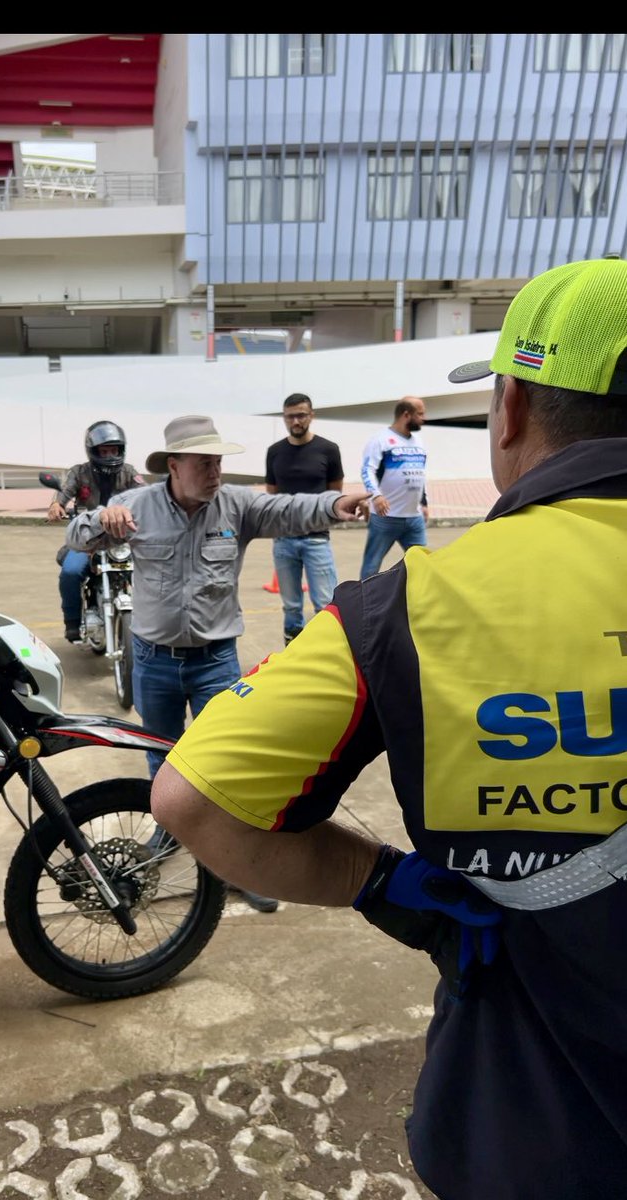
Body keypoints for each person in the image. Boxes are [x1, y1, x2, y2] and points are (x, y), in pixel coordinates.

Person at [149, 256, 627, 1200]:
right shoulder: (140, 508)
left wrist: (388, 887)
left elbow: (191, 798)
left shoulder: (412, 607)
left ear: (514, 408)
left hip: (535, 1136)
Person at [65, 414, 368, 915]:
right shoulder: (133, 505)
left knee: (228, 767)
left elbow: (289, 509)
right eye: (205, 463)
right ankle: (168, 833)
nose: (215, 472)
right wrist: (101, 520)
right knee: (162, 758)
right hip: (154, 660)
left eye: (218, 462)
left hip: (215, 660)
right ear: (175, 466)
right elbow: (77, 540)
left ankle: (240, 866)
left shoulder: (237, 505)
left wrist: (336, 503)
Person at [47, 420, 145, 642]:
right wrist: (57, 506)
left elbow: (145, 493)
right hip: (87, 539)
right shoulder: (79, 472)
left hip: (120, 537)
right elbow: (64, 493)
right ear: (93, 451)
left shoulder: (129, 472)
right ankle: (71, 621)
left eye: (114, 450)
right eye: (104, 450)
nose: (110, 455)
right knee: (71, 573)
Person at [265, 393, 344, 644]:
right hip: (284, 541)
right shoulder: (275, 452)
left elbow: (335, 493)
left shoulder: (329, 450)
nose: (296, 421)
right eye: (290, 417)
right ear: (284, 418)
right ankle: (292, 654)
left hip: (317, 540)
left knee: (325, 605)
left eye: (301, 415)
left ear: (311, 416)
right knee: (291, 607)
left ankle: (326, 653)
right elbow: (272, 494)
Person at [358, 396, 429, 578]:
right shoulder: (380, 441)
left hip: (414, 519)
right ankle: (365, 603)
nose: (424, 418)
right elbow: (367, 470)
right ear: (406, 415)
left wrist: (424, 502)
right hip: (385, 518)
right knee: (371, 568)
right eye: (420, 414)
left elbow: (419, 474)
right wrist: (376, 496)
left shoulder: (418, 442)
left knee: (424, 566)